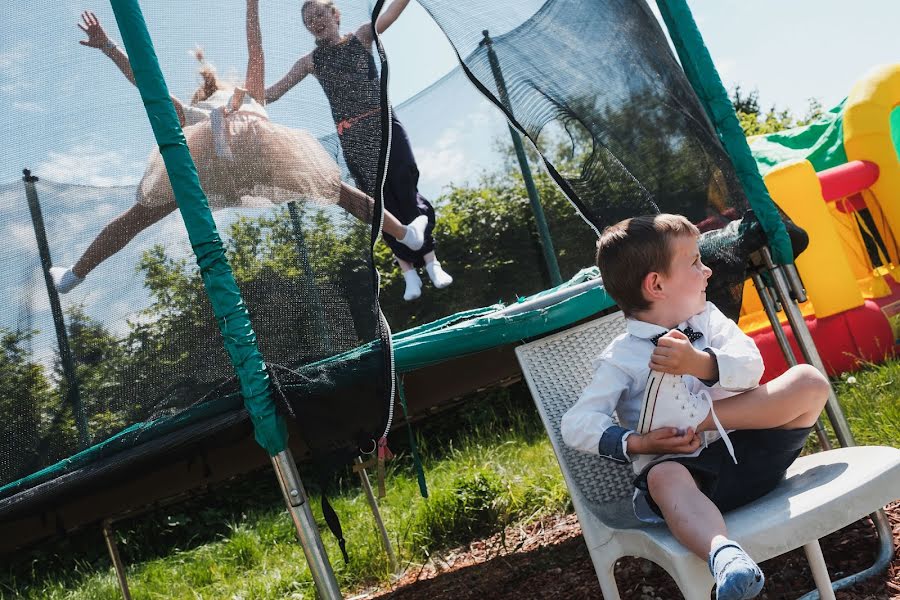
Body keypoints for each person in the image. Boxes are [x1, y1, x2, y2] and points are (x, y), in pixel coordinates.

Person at [50, 7, 428, 294]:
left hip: (239, 159)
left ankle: (73, 275)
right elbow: (157, 83)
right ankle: (406, 235)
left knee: (137, 217)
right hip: (242, 159)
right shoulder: (210, 111)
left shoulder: (238, 101)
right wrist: (109, 48)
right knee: (338, 192)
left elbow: (157, 82)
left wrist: (109, 48)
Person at [560, 214, 829, 600]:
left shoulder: (710, 320)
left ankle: (699, 418)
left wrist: (700, 364)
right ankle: (725, 556)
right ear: (656, 285)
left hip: (752, 452)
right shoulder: (621, 358)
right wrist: (639, 444)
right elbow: (577, 423)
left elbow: (752, 367)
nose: (707, 271)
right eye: (693, 263)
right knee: (661, 477)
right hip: (694, 483)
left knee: (809, 382)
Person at [265, 0, 453, 301]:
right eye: (308, 20)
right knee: (378, 201)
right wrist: (235, 93)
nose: (315, 22)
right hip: (353, 136)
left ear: (335, 15)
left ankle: (431, 262)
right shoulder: (310, 61)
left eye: (319, 14)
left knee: (404, 180)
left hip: (383, 122)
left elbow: (391, 13)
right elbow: (272, 93)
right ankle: (407, 270)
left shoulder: (363, 36)